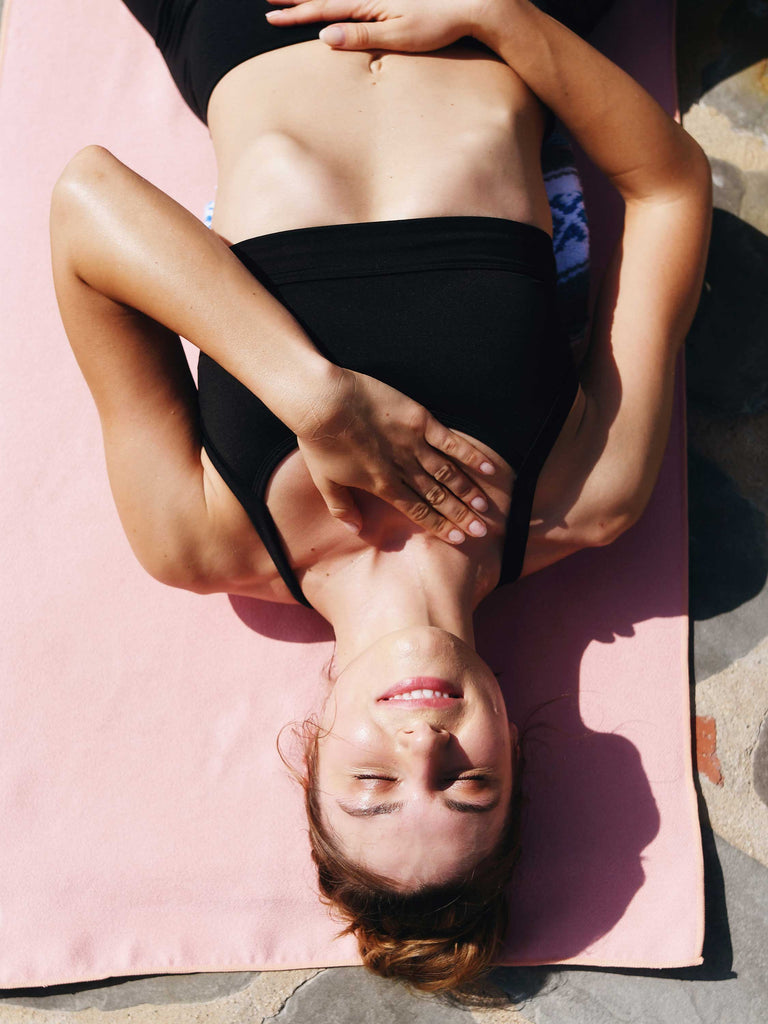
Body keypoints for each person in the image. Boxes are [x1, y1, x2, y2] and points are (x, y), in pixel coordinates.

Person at [49, 0, 711, 990]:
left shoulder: (199, 535)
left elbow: (85, 203)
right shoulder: (581, 494)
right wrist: (504, 21)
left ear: (310, 757)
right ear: (519, 761)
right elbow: (668, 188)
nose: (424, 744)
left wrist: (310, 391)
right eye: (468, 783)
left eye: (373, 783)